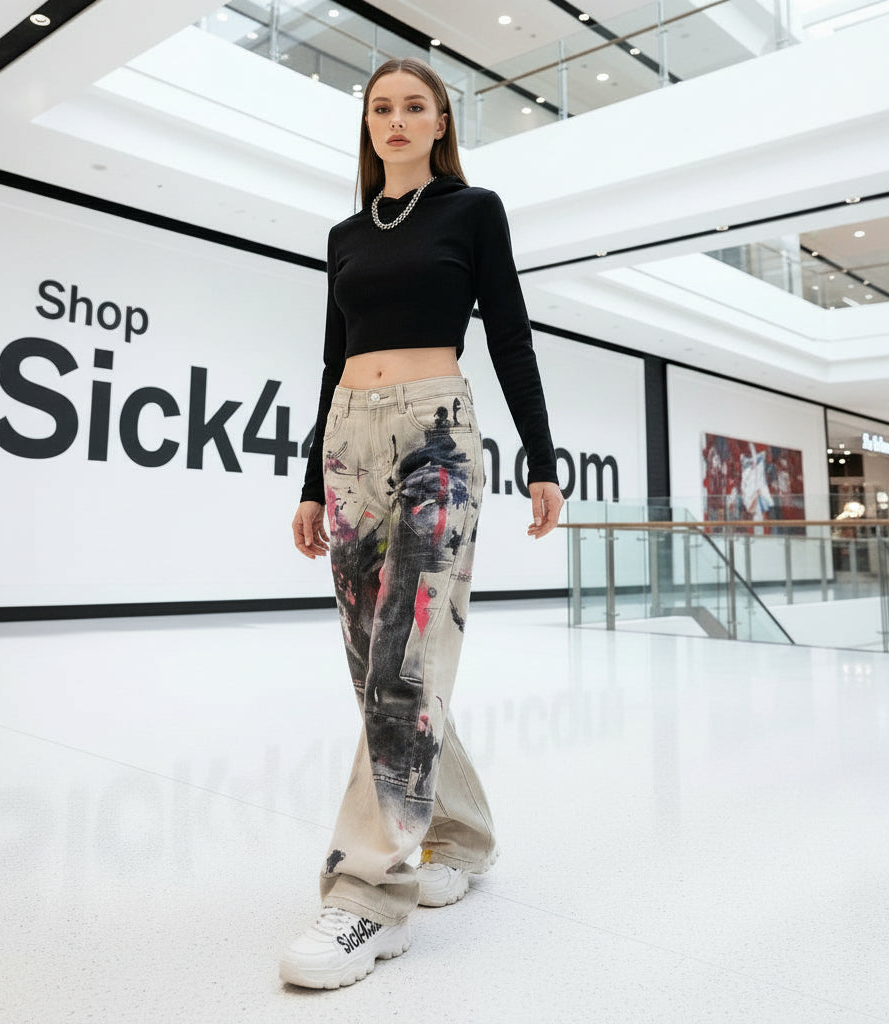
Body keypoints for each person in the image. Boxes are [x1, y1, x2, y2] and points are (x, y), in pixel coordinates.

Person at [281, 56, 564, 990]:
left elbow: (512, 332)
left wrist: (541, 458)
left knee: (407, 663)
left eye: (415, 108)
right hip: (348, 440)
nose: (396, 121)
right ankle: (464, 833)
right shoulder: (344, 235)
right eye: (381, 109)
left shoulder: (472, 212)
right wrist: (309, 484)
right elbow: (332, 359)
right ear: (368, 127)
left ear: (441, 123)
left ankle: (369, 898)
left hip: (438, 434)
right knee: (376, 671)